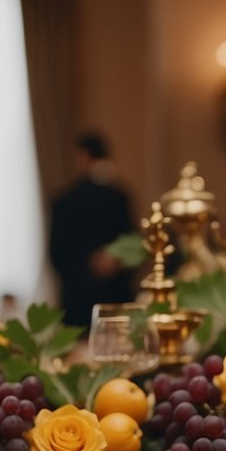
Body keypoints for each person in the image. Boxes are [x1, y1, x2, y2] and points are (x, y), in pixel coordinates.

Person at [48, 132, 134, 327]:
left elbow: (56, 255)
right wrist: (113, 259)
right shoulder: (119, 197)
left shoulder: (64, 201)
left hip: (77, 302)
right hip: (115, 299)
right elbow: (134, 247)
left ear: (82, 156)